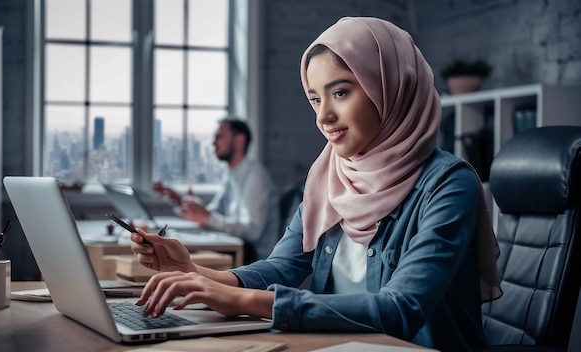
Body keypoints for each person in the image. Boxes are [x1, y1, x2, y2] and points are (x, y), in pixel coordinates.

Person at [132, 17, 502, 351]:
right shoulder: (329, 174)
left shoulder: (448, 184)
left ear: (389, 86)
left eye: (340, 93)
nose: (323, 116)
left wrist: (245, 302)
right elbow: (281, 268)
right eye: (314, 98)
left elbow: (401, 309)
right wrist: (194, 273)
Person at [154, 117, 280, 262]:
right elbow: (214, 212)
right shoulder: (231, 174)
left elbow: (253, 231)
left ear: (239, 140)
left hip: (252, 258)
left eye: (219, 137)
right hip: (236, 249)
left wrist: (207, 217)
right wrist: (181, 202)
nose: (213, 143)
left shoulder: (256, 176)